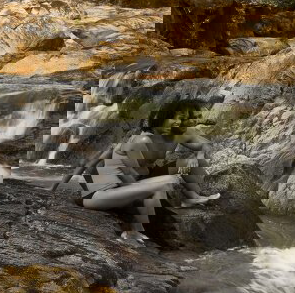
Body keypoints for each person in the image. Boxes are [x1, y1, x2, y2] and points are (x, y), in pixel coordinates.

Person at [70, 100, 220, 243]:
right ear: (163, 116)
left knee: (183, 166)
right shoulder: (145, 141)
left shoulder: (174, 135)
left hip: (120, 190)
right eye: (176, 118)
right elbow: (129, 177)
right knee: (169, 180)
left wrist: (196, 155)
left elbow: (206, 147)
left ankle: (191, 197)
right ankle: (132, 229)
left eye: (186, 121)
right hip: (98, 196)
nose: (178, 123)